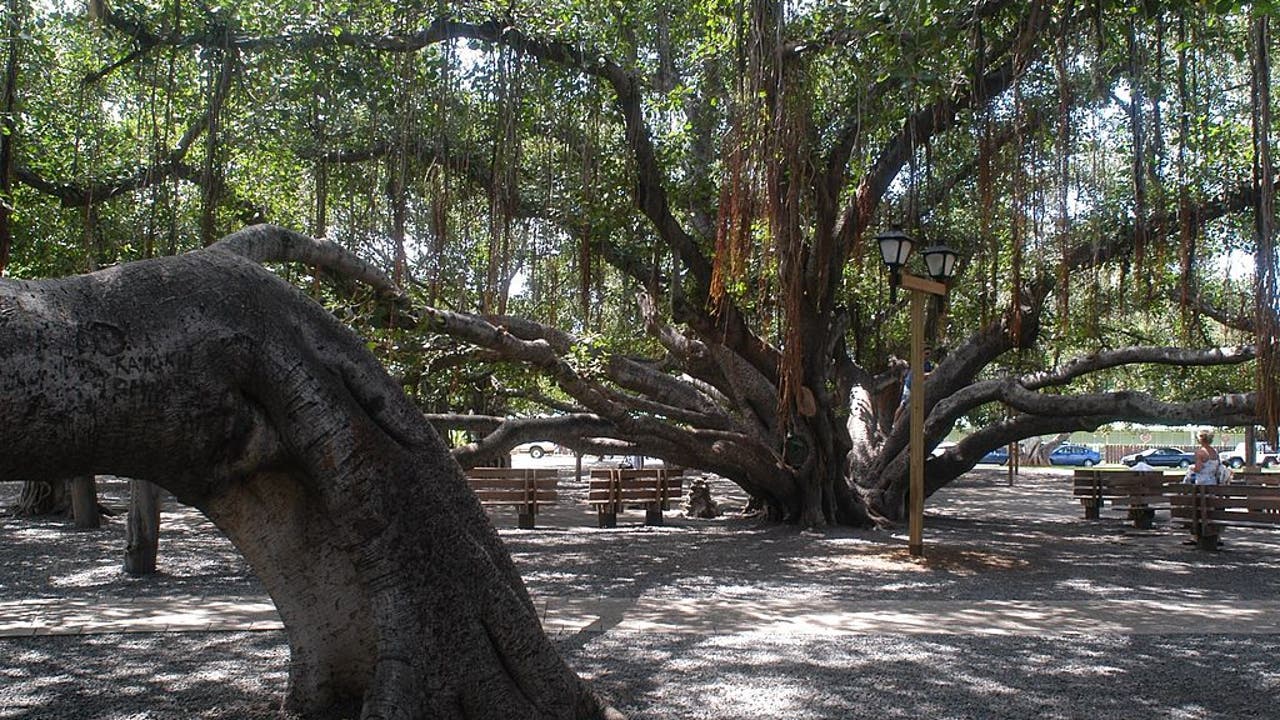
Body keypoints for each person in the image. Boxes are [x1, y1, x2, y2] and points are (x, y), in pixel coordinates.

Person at [894, 347, 935, 425]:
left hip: (918, 388)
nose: (928, 356)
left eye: (929, 354)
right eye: (926, 353)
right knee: (903, 405)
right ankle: (895, 423)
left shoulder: (928, 364)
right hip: (910, 386)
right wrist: (931, 374)